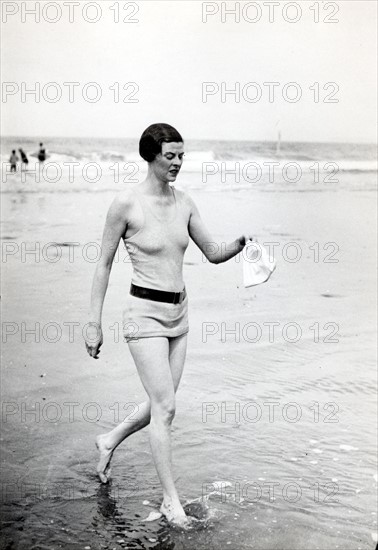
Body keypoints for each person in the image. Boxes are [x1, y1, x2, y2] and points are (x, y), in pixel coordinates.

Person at [84, 123, 252, 526]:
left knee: (162, 405)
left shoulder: (186, 203)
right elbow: (103, 265)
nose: (177, 163)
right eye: (170, 156)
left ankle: (108, 440)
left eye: (181, 156)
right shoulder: (125, 204)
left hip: (180, 314)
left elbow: (211, 252)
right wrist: (93, 323)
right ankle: (170, 501)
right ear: (151, 156)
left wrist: (241, 245)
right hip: (143, 316)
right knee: (166, 407)